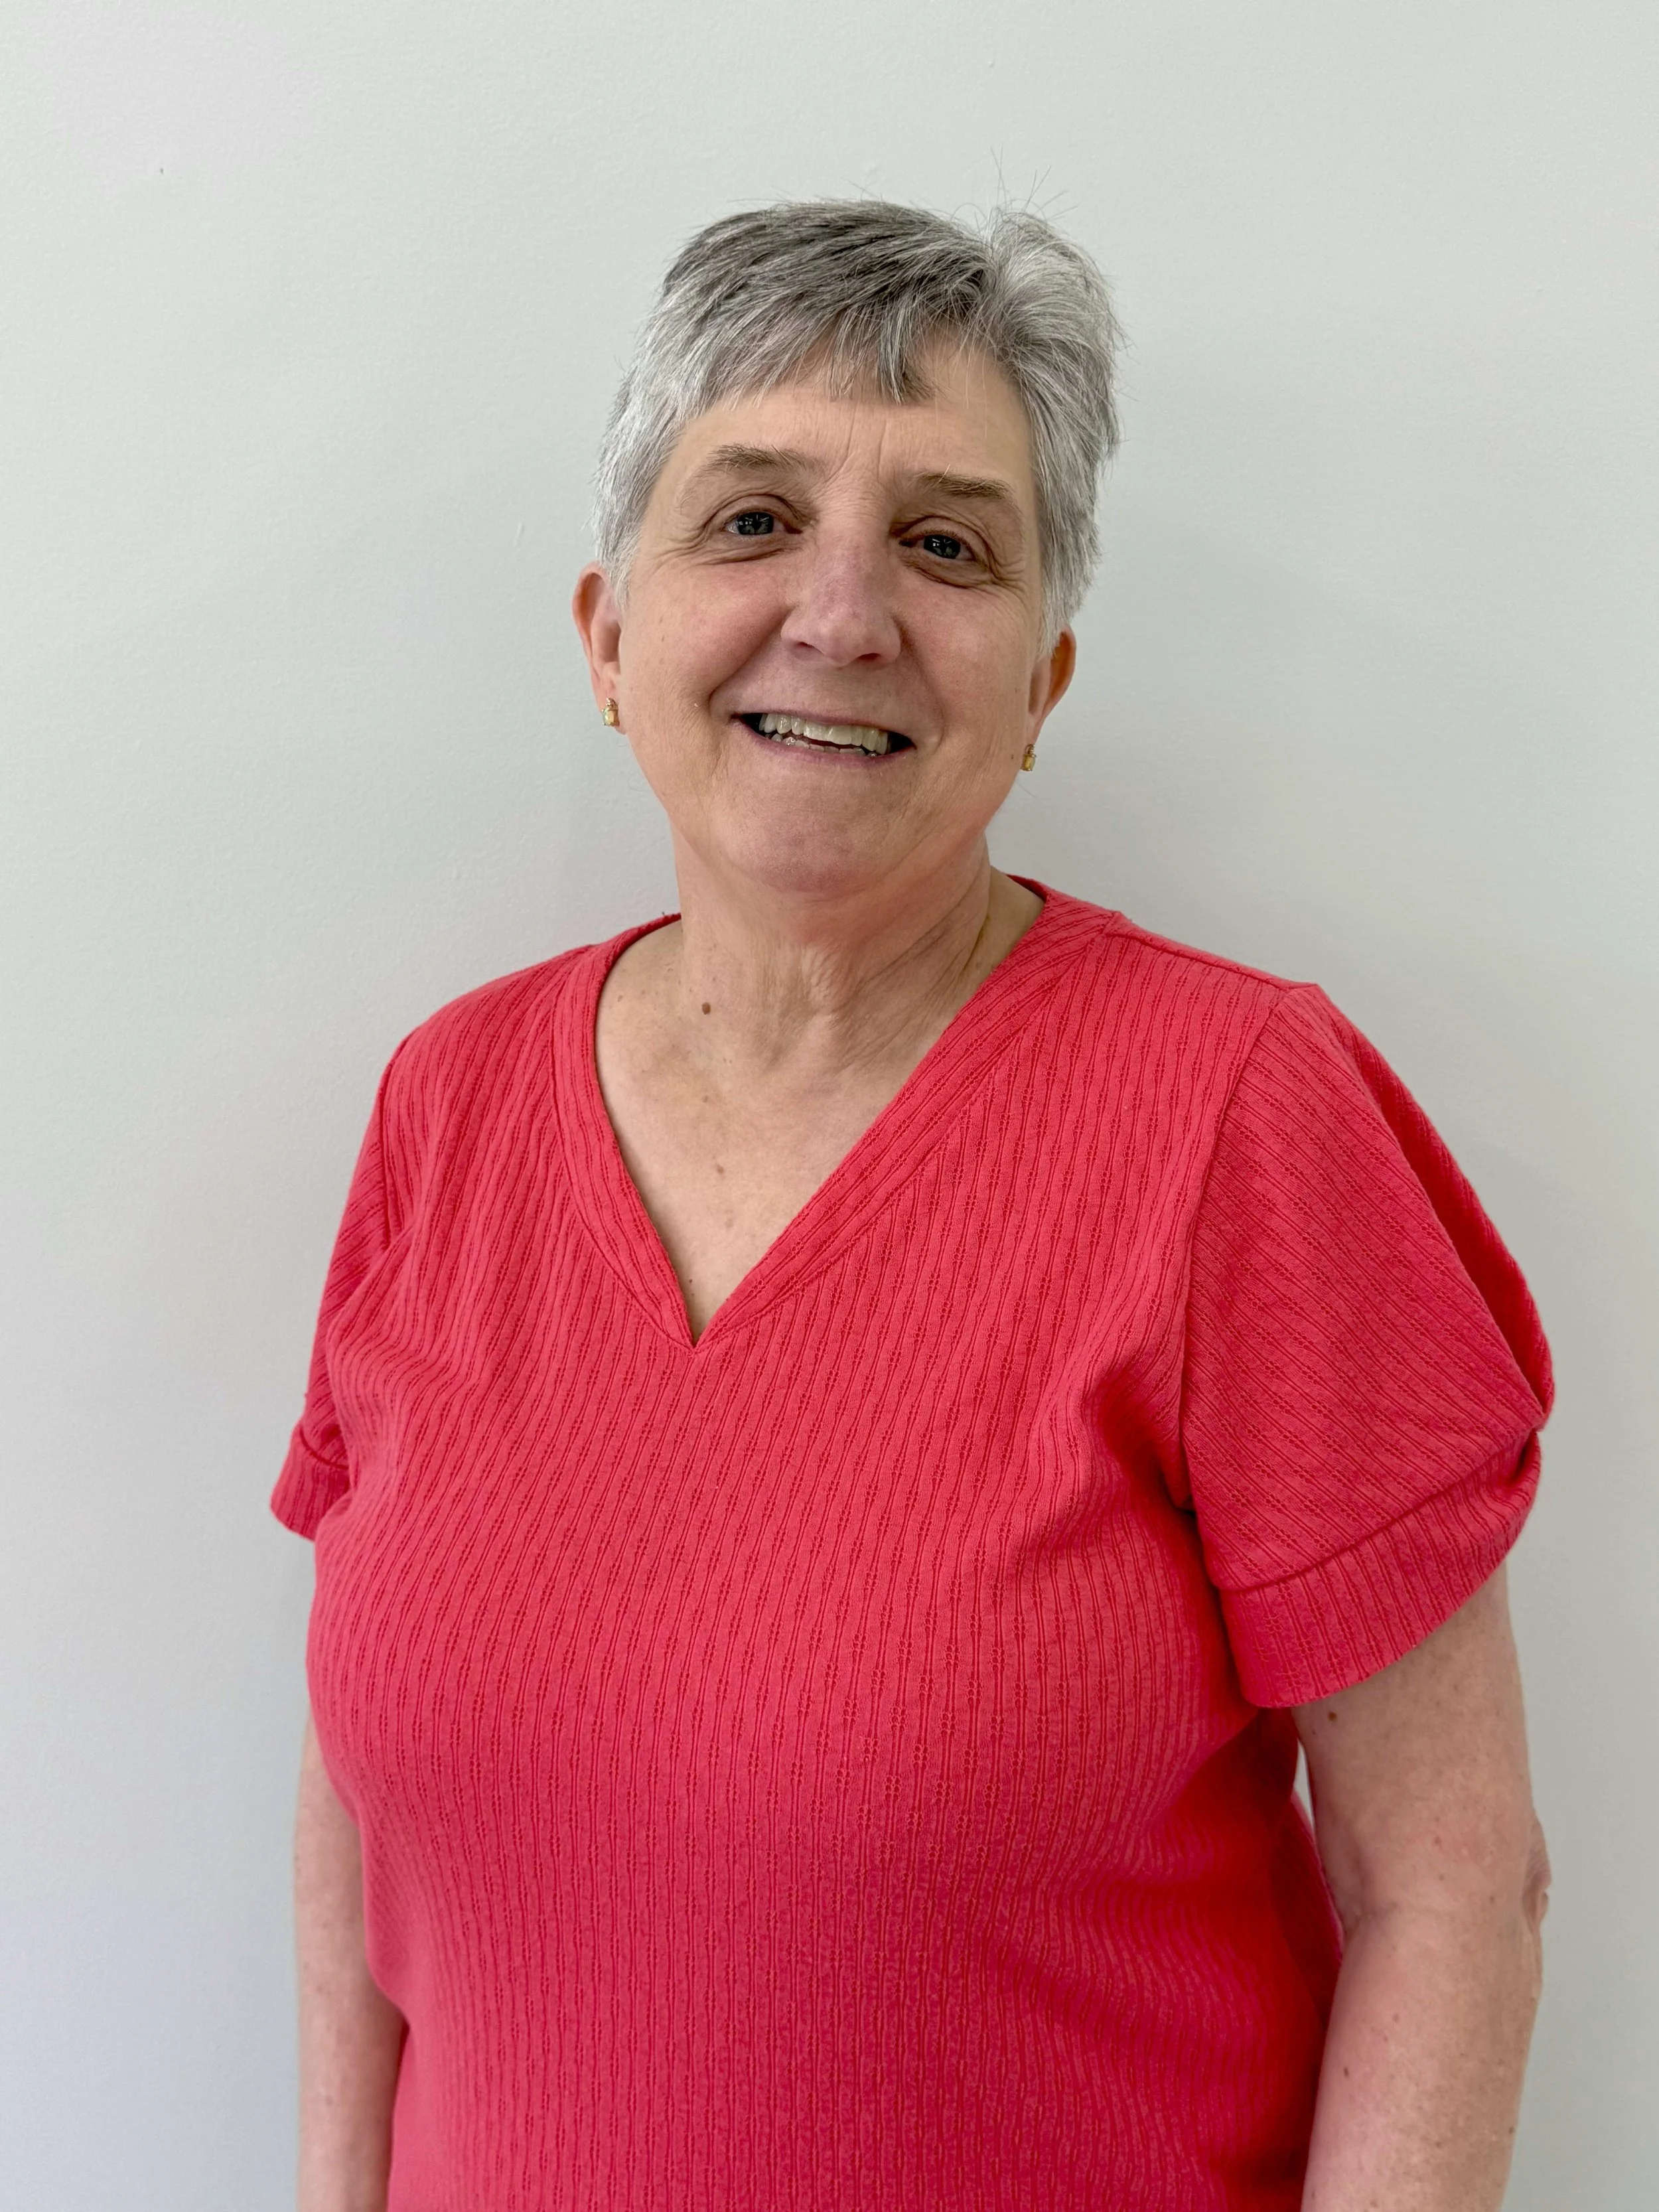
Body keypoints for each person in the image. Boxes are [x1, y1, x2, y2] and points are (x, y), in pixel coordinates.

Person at [277, 200, 1553, 2212]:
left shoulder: (1238, 1118)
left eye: (946, 542)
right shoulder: (446, 1106)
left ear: (1037, 680)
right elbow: (363, 1809)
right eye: (753, 518)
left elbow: (1449, 1878)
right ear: (610, 635)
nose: (843, 612)